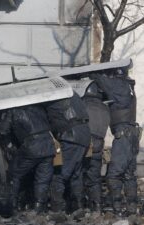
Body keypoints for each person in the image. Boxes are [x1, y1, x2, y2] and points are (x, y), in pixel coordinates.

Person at [90, 65, 141, 215]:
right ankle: (131, 208)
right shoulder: (129, 87)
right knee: (128, 174)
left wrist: (94, 73)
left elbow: (100, 80)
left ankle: (117, 208)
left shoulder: (118, 84)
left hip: (123, 135)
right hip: (132, 134)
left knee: (113, 174)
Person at [0, 104, 56, 213]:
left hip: (32, 145)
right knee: (42, 180)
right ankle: (39, 209)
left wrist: (8, 144)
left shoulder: (13, 110)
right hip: (48, 145)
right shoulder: (39, 107)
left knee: (14, 173)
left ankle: (11, 205)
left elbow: (2, 130)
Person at [45, 92, 91, 213]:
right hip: (84, 136)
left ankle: (57, 209)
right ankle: (78, 207)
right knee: (76, 174)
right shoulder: (72, 93)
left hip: (71, 137)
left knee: (60, 175)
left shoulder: (50, 95)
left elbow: (48, 121)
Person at [81, 81, 110, 212]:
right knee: (95, 177)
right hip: (99, 143)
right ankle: (97, 205)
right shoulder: (104, 108)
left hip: (86, 142)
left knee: (79, 173)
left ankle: (80, 204)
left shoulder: (84, 104)